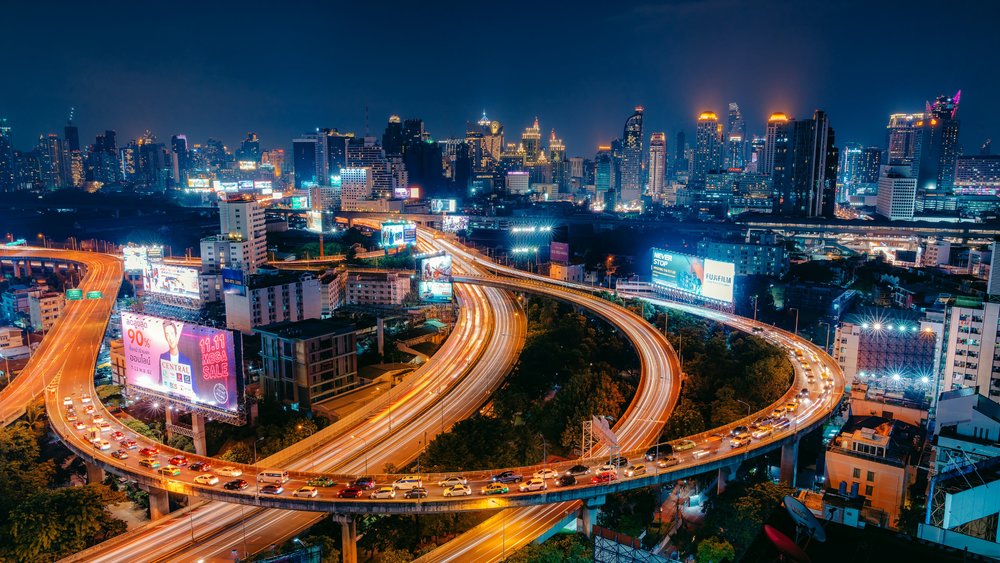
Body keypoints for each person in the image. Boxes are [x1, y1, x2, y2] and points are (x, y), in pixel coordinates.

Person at [159, 320, 195, 398]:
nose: (170, 338)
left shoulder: (187, 361)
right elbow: (161, 381)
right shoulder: (163, 357)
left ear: (176, 335)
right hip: (169, 397)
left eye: (172, 333)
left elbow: (194, 387)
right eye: (167, 334)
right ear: (165, 337)